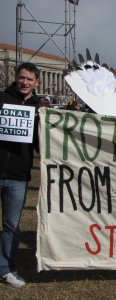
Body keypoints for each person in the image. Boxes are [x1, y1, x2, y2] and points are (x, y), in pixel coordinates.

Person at [0, 62, 40, 287]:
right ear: (16, 78)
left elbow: (39, 144)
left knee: (11, 226)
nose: (25, 82)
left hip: (18, 176)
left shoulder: (38, 109)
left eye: (29, 79)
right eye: (22, 78)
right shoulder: (2, 100)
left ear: (36, 82)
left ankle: (5, 268)